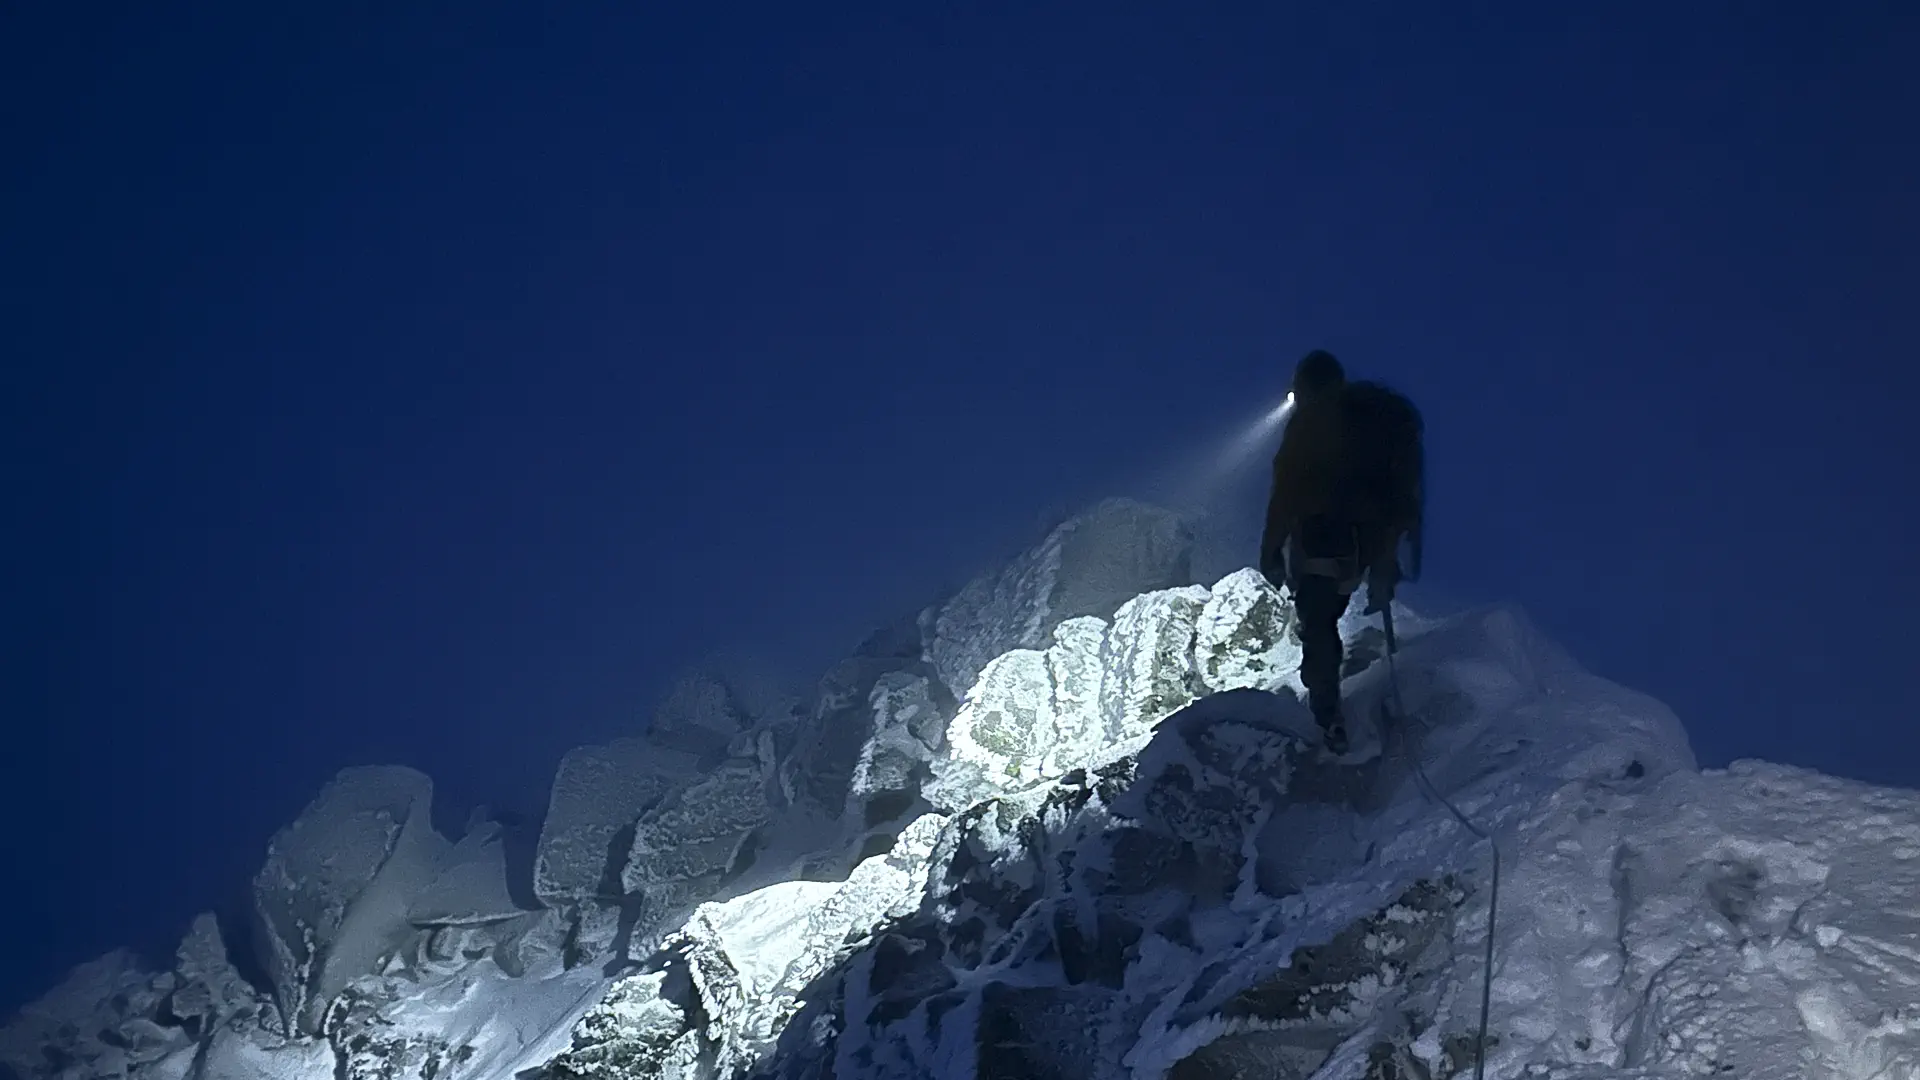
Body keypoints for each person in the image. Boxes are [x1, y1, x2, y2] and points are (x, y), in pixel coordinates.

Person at [1259, 349, 1425, 755]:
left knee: (1318, 622)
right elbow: (1403, 495)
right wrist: (1388, 558)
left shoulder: (1310, 425)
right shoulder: (1378, 422)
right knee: (1331, 610)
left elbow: (1286, 492)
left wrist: (1271, 550)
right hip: (1372, 539)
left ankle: (1325, 718)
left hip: (1323, 539)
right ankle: (1378, 705)